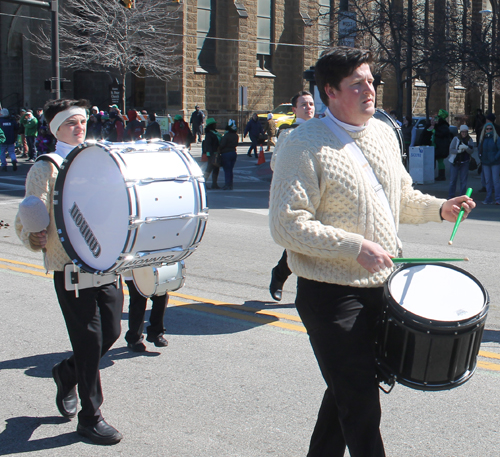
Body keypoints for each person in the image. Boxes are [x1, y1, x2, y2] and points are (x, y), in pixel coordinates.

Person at [268, 47, 475, 457]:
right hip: (331, 296)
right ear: (329, 91)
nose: (369, 90)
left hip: (381, 289)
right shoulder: (302, 144)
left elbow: (399, 196)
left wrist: (439, 208)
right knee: (361, 404)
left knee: (346, 392)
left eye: (370, 81)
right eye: (356, 84)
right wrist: (353, 246)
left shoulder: (381, 132)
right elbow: (287, 224)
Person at [15, 99, 124, 445]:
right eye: (71, 123)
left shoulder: (99, 159)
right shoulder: (46, 167)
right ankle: (90, 418)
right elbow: (28, 214)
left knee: (110, 332)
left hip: (104, 262)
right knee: (89, 340)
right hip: (69, 266)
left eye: (82, 121)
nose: (79, 127)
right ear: (56, 129)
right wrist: (32, 233)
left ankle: (66, 373)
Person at [269, 90, 315, 301]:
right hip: (297, 196)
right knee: (299, 243)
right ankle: (280, 275)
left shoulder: (322, 131)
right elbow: (274, 164)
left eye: (311, 104)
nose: (309, 107)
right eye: (304, 104)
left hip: (319, 195)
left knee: (315, 244)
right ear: (295, 109)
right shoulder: (288, 133)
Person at [123, 275, 169, 352]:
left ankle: (155, 333)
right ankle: (134, 338)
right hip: (135, 272)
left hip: (154, 271)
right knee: (138, 302)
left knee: (161, 297)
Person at [448, 125, 474, 199]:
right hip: (455, 162)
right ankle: (451, 196)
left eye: (465, 132)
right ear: (460, 132)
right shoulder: (456, 139)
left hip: (465, 162)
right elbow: (451, 149)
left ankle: (462, 196)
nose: (464, 133)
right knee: (453, 180)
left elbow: (471, 151)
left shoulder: (469, 139)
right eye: (463, 132)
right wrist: (458, 151)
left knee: (463, 181)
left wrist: (466, 148)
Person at [478, 121, 500, 205]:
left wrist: (495, 158)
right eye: (487, 129)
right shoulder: (482, 139)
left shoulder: (496, 138)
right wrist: (481, 157)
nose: (489, 130)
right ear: (485, 130)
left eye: (490, 129)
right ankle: (488, 198)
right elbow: (480, 149)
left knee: (496, 181)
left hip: (495, 162)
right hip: (485, 162)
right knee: (487, 181)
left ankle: (498, 198)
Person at [219, 119, 239, 190]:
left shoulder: (226, 136)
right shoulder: (236, 136)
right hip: (233, 153)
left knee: (227, 170)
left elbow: (222, 145)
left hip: (226, 154)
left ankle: (227, 184)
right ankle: (230, 184)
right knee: (230, 170)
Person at [434, 109, 453, 181]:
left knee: (440, 160)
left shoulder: (443, 127)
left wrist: (435, 131)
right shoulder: (443, 126)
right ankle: (441, 175)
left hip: (441, 146)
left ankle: (441, 175)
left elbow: (441, 134)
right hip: (440, 146)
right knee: (440, 161)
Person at [203, 118, 221, 189]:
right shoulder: (209, 134)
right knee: (209, 169)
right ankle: (204, 183)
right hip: (212, 153)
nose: (215, 125)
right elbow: (208, 144)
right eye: (214, 124)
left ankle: (214, 184)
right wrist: (210, 154)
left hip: (216, 153)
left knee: (216, 169)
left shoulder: (215, 132)